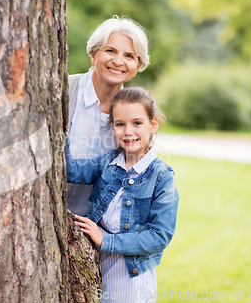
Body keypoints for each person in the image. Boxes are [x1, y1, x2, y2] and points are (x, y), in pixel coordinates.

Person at [66, 87, 179, 303]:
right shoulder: (109, 162)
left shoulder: (161, 176)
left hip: (130, 274)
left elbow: (159, 236)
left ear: (153, 125)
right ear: (113, 127)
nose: (128, 131)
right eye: (120, 124)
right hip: (96, 262)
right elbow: (72, 171)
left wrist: (106, 240)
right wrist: (62, 133)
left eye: (137, 123)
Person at [67, 15, 150, 215]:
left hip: (94, 230)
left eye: (129, 56)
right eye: (110, 51)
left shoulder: (137, 113)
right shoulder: (62, 89)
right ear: (94, 54)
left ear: (138, 65)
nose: (118, 61)